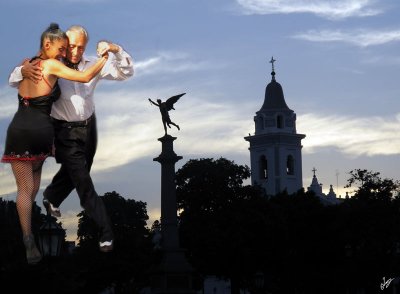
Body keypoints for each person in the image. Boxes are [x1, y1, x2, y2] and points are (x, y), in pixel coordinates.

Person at [9, 25, 134, 253]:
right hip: (63, 129)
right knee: (82, 180)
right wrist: (21, 71)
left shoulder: (89, 62)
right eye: (71, 47)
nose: (75, 52)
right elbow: (15, 79)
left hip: (88, 125)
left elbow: (126, 73)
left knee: (76, 170)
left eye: (80, 47)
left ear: (85, 47)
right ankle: (106, 233)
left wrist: (114, 49)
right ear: (64, 45)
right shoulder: (53, 63)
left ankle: (50, 197)